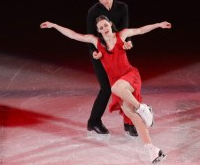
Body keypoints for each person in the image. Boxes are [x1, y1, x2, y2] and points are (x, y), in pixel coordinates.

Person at [40, 16, 171, 164]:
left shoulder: (122, 35)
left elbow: (140, 30)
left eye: (105, 25)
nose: (104, 29)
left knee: (115, 89)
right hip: (118, 85)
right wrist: (54, 25)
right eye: (100, 28)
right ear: (98, 30)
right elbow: (74, 35)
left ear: (110, 24)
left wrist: (159, 24)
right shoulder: (96, 42)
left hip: (130, 76)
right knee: (134, 117)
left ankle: (143, 107)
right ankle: (152, 150)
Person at [87, 0, 137, 136]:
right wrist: (95, 52)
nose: (103, 0)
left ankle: (129, 123)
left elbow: (125, 30)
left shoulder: (122, 7)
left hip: (117, 50)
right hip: (99, 52)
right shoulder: (93, 11)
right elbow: (90, 35)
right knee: (107, 88)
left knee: (124, 87)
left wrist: (127, 43)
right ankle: (93, 122)